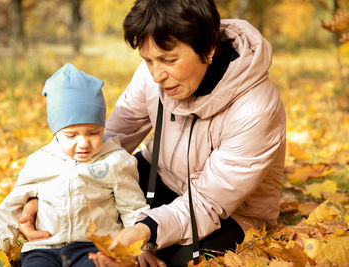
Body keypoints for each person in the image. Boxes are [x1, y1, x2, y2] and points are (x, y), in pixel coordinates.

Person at [22, 0, 287, 266]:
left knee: (177, 258)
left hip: (229, 211)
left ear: (208, 48)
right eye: (148, 60)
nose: (157, 75)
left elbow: (208, 202)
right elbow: (110, 140)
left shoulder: (256, 108)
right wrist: (48, 192)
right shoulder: (154, 75)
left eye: (168, 60)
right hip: (158, 178)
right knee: (82, 210)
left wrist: (144, 231)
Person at [0, 63, 149, 267]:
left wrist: (140, 249)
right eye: (71, 135)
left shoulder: (115, 161)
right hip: (44, 248)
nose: (83, 142)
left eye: (93, 132)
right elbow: (12, 206)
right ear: (55, 132)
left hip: (94, 249)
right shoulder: (40, 162)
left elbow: (132, 208)